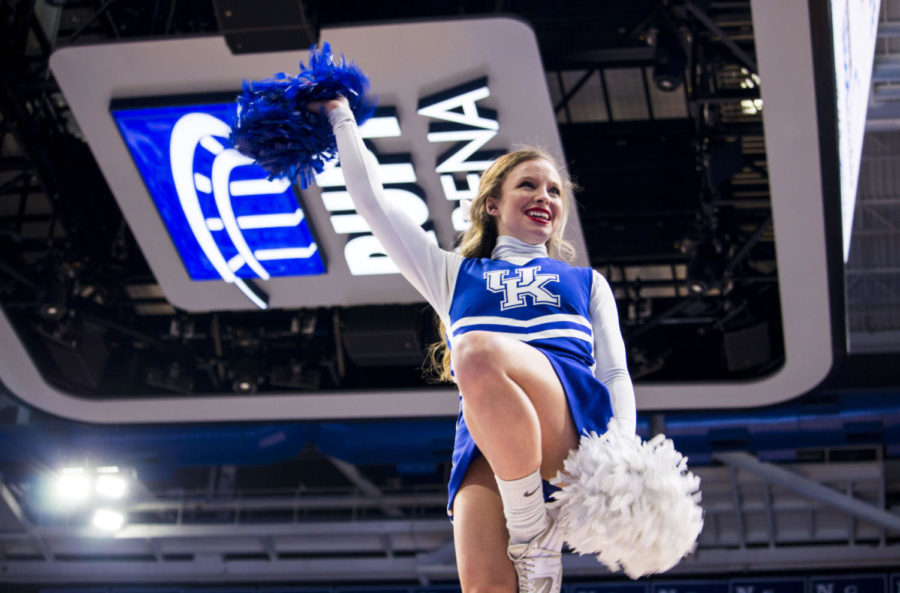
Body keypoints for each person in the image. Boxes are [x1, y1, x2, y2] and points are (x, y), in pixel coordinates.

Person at [311, 96, 636, 593]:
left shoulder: (587, 283)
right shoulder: (452, 274)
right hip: (487, 441)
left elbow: (614, 373)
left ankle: (532, 532)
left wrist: (623, 452)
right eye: (527, 184)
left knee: (476, 353)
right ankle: (532, 535)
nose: (544, 195)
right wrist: (340, 115)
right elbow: (373, 203)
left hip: (573, 430)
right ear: (492, 203)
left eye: (554, 190)